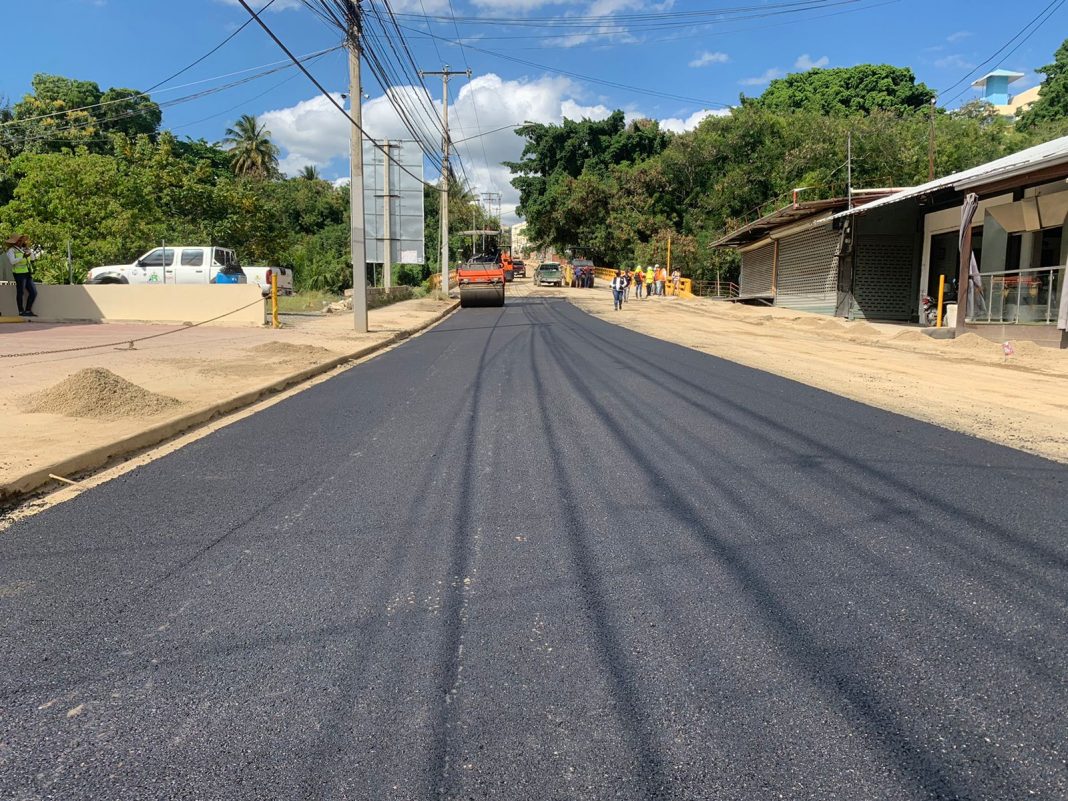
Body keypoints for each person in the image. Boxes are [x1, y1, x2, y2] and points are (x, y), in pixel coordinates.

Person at [6, 234, 38, 317]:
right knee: (20, 292)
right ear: (15, 242)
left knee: (33, 292)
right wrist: (22, 257)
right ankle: (21, 311)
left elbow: (33, 259)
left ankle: (28, 310)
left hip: (27, 273)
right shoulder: (11, 251)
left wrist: (29, 251)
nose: (21, 242)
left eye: (22, 241)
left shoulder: (23, 249)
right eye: (19, 241)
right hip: (18, 273)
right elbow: (12, 262)